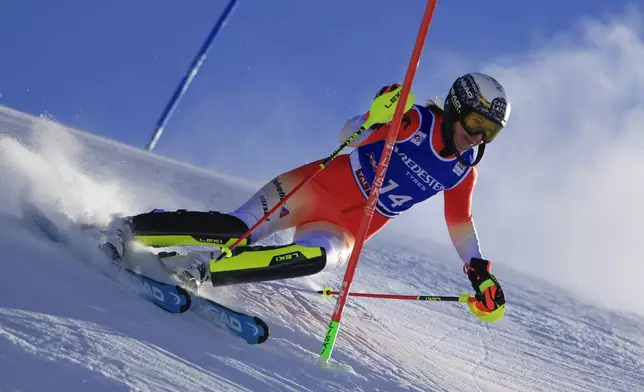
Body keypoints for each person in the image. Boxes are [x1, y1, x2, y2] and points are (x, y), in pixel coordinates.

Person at [105, 72, 509, 322]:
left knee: (310, 260)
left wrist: (479, 271)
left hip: (347, 228)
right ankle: (133, 228)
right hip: (313, 189)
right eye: (475, 123)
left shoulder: (461, 169)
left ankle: (203, 270)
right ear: (457, 108)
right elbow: (347, 136)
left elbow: (460, 223)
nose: (475, 137)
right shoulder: (415, 121)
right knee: (235, 230)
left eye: (488, 132)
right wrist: (376, 119)